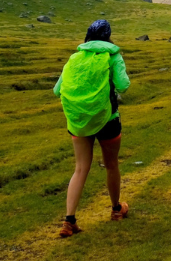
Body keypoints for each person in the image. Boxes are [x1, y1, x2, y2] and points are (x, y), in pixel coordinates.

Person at [53, 19, 131, 238]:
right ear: (108, 37)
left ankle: (69, 221)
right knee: (111, 165)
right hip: (108, 119)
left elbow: (57, 90)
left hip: (78, 121)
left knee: (80, 168)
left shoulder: (74, 58)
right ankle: (116, 210)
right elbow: (123, 85)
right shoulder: (113, 56)